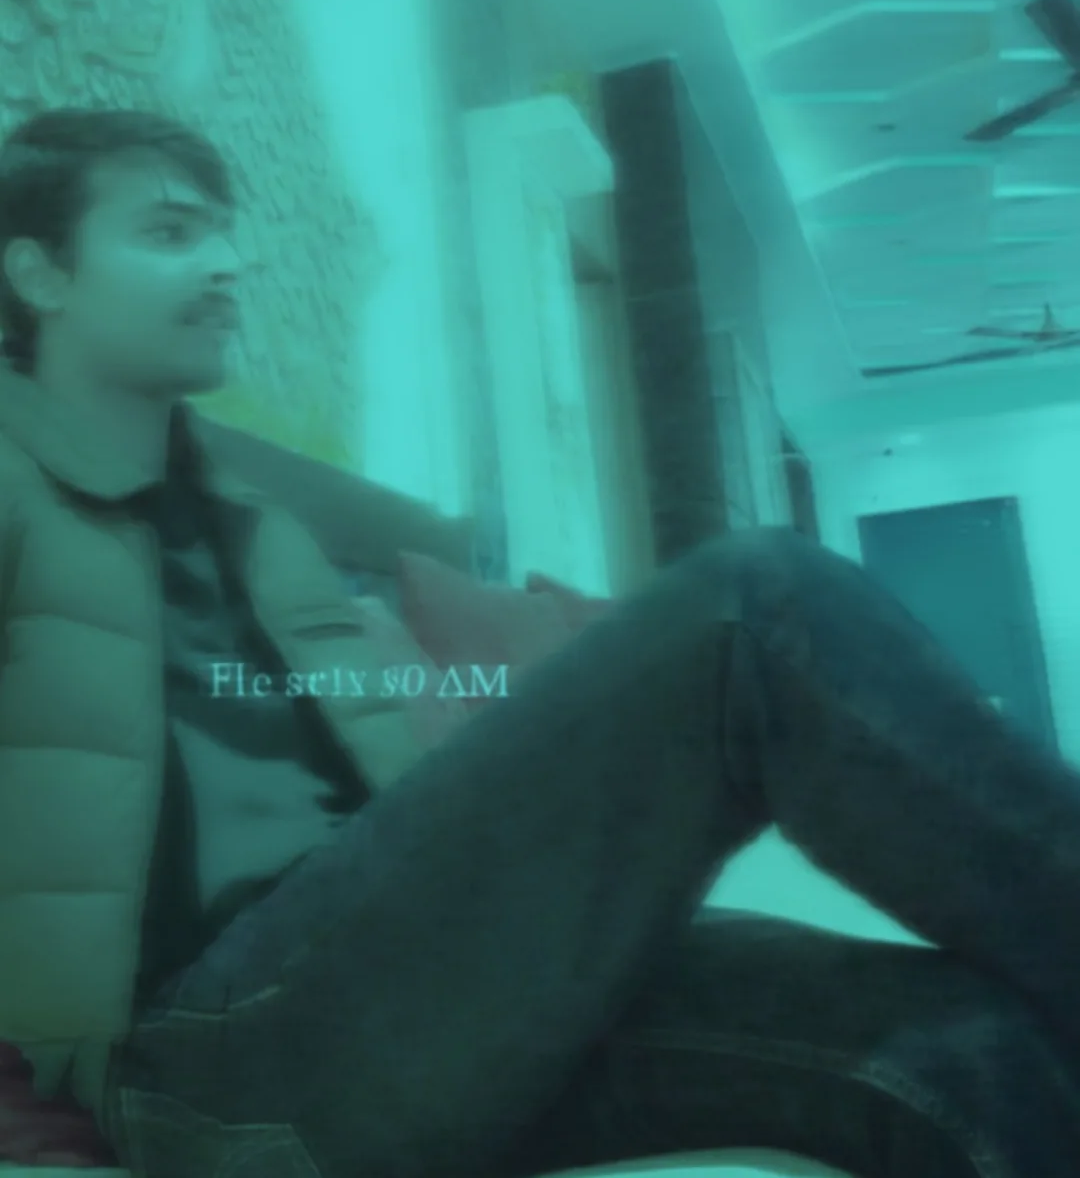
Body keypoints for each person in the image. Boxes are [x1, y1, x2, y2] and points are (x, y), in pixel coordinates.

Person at [0, 107, 1078, 1178]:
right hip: (212, 1061)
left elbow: (376, 798)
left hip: (387, 976)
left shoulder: (253, 523)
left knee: (969, 1044)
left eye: (223, 231)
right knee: (756, 603)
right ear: (39, 273)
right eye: (170, 231)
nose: (227, 263)